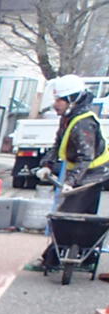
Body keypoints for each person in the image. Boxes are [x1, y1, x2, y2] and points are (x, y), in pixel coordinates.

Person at [33, 75, 109, 271]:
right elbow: (58, 144)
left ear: (72, 99)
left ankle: (56, 258)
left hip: (95, 174)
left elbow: (86, 157)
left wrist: (72, 181)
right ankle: (80, 256)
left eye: (59, 99)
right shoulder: (69, 118)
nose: (55, 103)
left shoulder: (84, 123)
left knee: (68, 215)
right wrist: (47, 165)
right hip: (83, 171)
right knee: (77, 216)